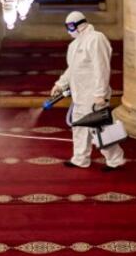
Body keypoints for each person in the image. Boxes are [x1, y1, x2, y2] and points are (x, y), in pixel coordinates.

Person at [50, 11, 125, 171]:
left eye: (70, 26)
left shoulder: (96, 39)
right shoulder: (74, 45)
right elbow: (72, 69)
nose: (69, 30)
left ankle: (115, 160)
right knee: (79, 128)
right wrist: (60, 84)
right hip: (79, 96)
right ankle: (80, 159)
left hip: (94, 96)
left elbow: (102, 68)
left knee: (100, 129)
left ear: (79, 24)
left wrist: (101, 94)